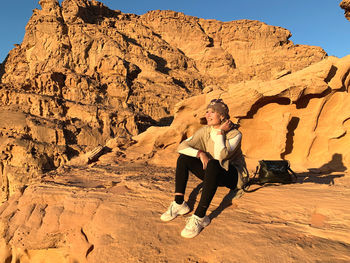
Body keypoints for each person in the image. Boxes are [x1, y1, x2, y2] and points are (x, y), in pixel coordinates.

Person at [160, 98, 247, 238]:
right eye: (206, 112)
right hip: (214, 172)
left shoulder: (235, 134)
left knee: (213, 163)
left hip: (232, 176)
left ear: (222, 116)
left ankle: (200, 217)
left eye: (212, 112)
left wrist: (220, 133)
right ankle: (179, 203)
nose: (207, 115)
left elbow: (220, 156)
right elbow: (181, 147)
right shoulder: (206, 130)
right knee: (184, 158)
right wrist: (200, 153)